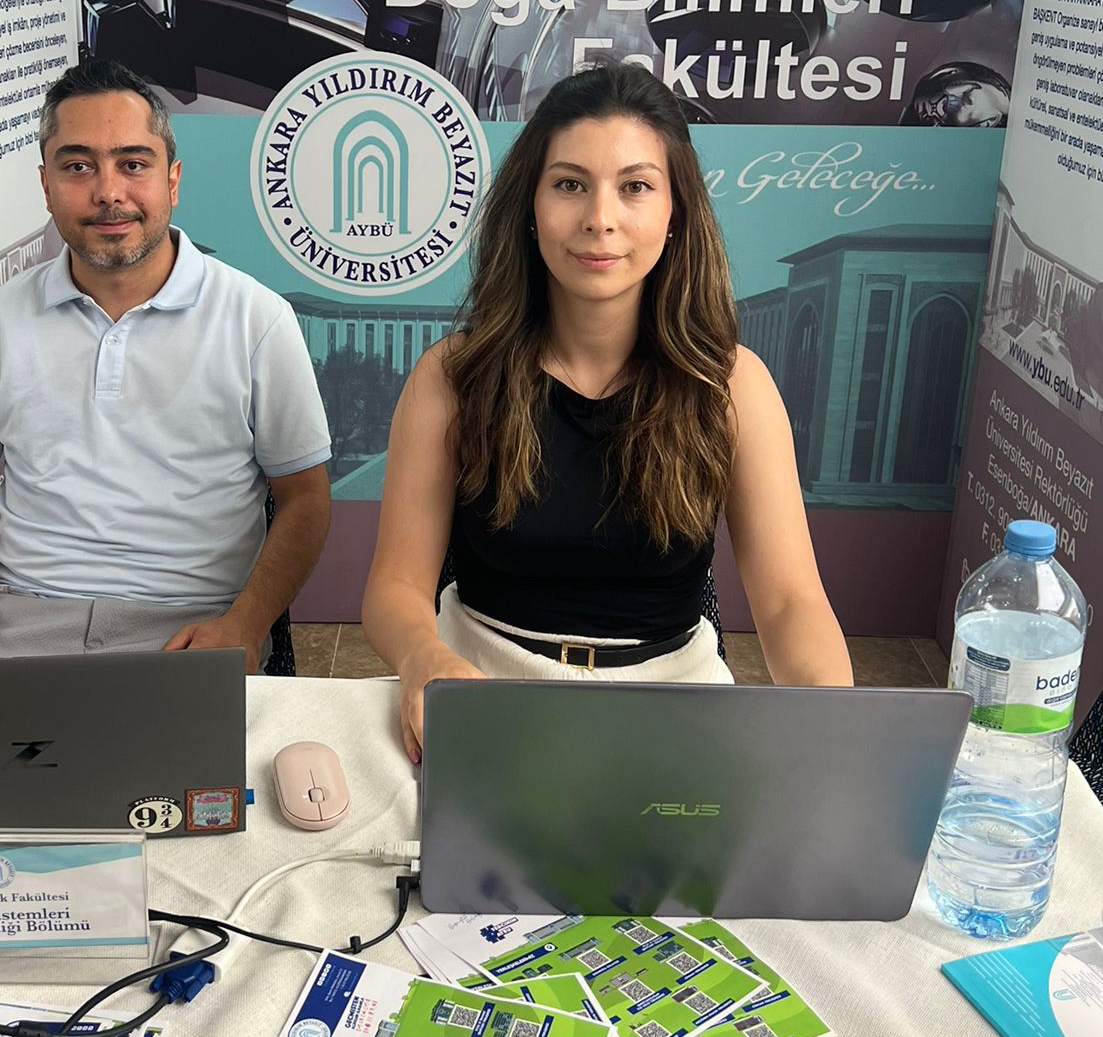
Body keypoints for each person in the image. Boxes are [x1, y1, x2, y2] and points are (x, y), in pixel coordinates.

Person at [362, 61, 852, 763]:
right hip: (479, 690)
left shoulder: (733, 385)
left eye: (635, 187)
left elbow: (789, 603)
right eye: (570, 184)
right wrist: (423, 657)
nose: (600, 218)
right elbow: (396, 586)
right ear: (530, 207)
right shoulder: (452, 378)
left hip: (675, 701)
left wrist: (835, 729)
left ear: (675, 213)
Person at [0, 57, 333, 667]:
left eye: (133, 164)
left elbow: (305, 498)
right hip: (14, 620)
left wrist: (246, 623)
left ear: (172, 181)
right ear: (46, 185)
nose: (108, 193)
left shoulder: (257, 320)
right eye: (78, 166)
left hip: (190, 626)